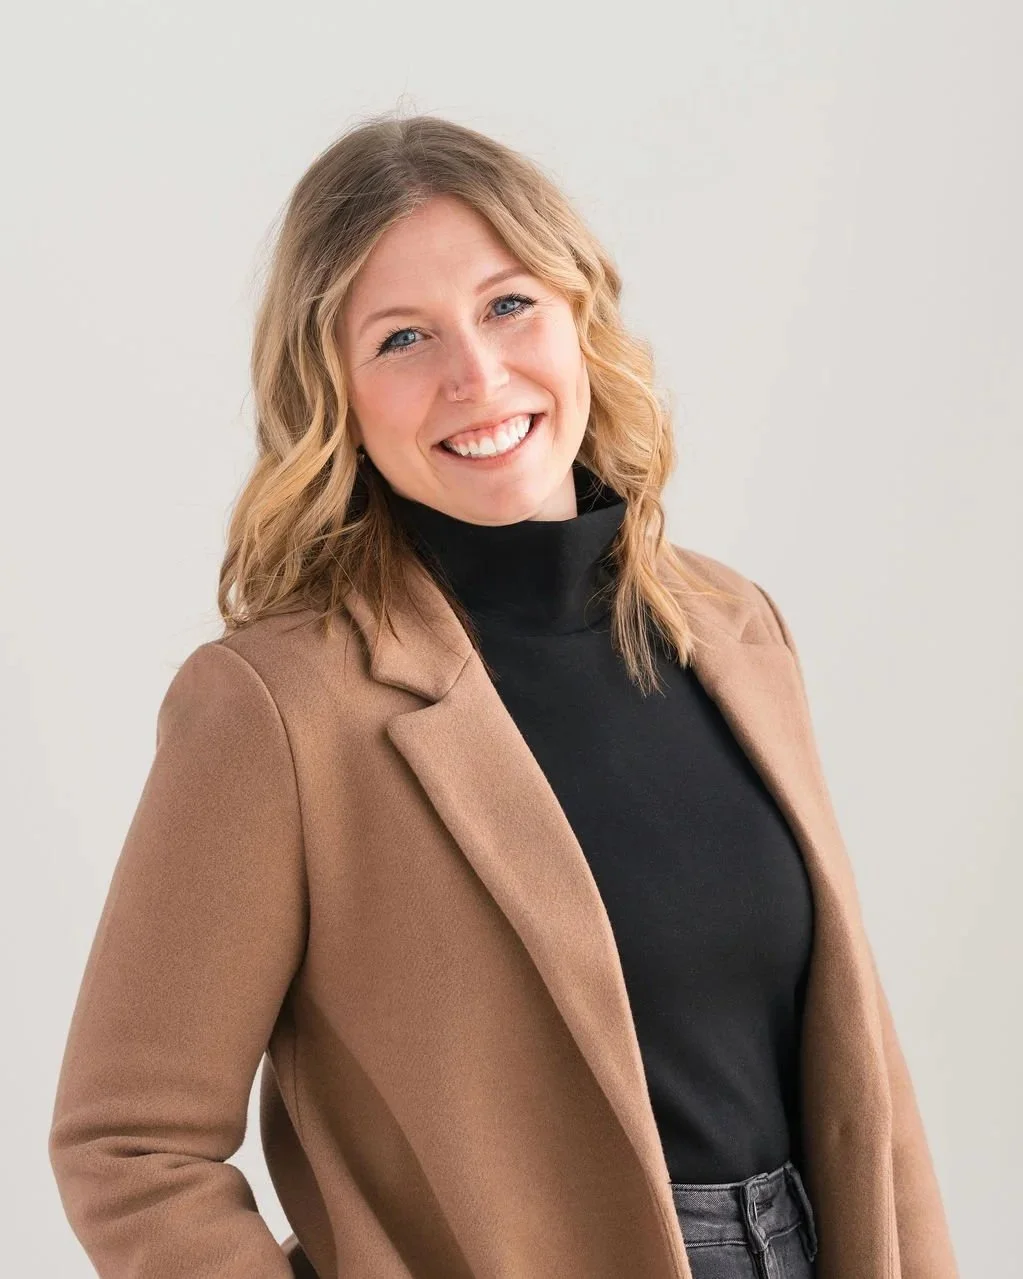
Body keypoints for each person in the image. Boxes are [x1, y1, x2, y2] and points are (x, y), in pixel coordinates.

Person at [48, 112, 958, 1279]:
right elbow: (129, 1145)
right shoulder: (277, 708)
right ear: (334, 394)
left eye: (508, 305)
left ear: (578, 315)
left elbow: (861, 1076)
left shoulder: (735, 628)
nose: (476, 376)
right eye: (402, 338)